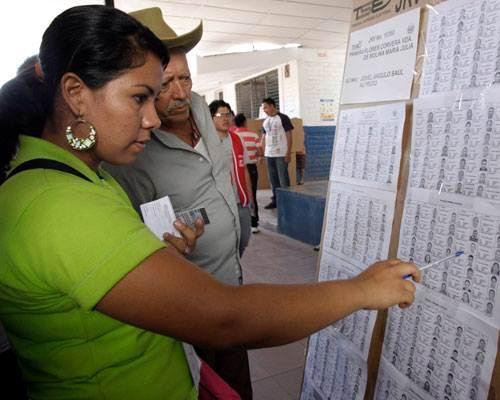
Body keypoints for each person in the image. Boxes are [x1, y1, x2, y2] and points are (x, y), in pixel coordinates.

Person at [0, 5, 421, 400]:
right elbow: (226, 318)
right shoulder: (57, 204)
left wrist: (156, 255)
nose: (151, 117)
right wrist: (360, 290)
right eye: (139, 97)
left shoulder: (83, 175)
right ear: (75, 93)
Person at [102, 9, 254, 395]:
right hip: (192, 307)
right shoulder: (132, 155)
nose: (181, 93)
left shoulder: (201, 107)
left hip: (233, 282)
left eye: (185, 78)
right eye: (165, 85)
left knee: (239, 385)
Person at [209, 100, 253, 259]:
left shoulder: (237, 139)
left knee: (243, 239)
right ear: (211, 118)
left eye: (228, 114)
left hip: (239, 200)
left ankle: (235, 269)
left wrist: (251, 200)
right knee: (223, 243)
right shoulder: (205, 142)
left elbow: (245, 169)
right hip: (218, 203)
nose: (225, 118)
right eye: (221, 115)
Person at [261, 97, 293, 209]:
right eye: (263, 108)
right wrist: (261, 151)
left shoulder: (283, 118)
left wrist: (288, 152)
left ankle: (287, 201)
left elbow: (289, 135)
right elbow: (264, 136)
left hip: (281, 153)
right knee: (272, 179)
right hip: (269, 154)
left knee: (283, 178)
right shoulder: (265, 121)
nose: (264, 110)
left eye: (265, 107)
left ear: (272, 106)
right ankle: (276, 200)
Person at [234, 113, 261, 233]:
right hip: (251, 167)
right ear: (245, 122)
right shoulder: (253, 135)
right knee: (252, 194)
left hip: (237, 168)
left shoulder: (233, 136)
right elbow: (260, 151)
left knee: (238, 195)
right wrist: (254, 155)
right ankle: (254, 223)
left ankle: (239, 223)